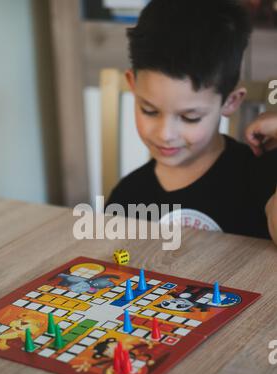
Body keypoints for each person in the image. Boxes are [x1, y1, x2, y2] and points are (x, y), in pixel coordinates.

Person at [105, 0, 277, 245]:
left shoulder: (258, 176)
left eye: (190, 117)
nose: (165, 134)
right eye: (149, 110)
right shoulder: (127, 196)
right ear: (133, 85)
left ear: (230, 101)